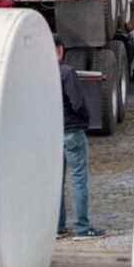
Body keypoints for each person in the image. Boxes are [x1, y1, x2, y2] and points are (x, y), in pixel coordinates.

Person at [55, 35, 105, 239]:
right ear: (60, 50)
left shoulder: (38, 73)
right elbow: (77, 102)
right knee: (78, 179)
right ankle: (82, 228)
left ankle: (58, 227)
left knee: (56, 182)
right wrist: (86, 119)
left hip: (52, 134)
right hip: (72, 131)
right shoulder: (66, 72)